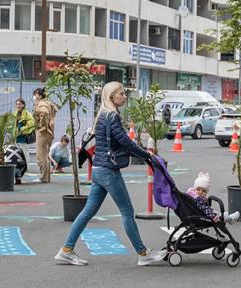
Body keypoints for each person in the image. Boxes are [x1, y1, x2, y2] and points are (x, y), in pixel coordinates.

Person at [55, 81, 166, 266]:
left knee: (87, 212)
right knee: (127, 211)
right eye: (121, 93)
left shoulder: (102, 116)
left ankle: (66, 250)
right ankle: (143, 253)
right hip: (108, 170)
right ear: (111, 97)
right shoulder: (112, 116)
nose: (124, 96)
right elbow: (125, 142)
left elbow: (116, 142)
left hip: (98, 169)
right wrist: (148, 155)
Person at [33, 88, 58, 182]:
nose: (34, 97)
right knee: (45, 154)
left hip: (43, 131)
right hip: (50, 131)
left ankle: (43, 177)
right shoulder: (48, 102)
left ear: (38, 95)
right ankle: (46, 178)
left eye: (35, 95)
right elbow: (55, 110)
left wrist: (42, 124)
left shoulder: (41, 104)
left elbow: (45, 112)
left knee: (41, 155)